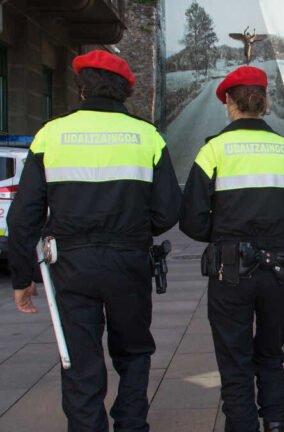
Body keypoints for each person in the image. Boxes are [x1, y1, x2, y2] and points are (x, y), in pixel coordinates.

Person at [8, 49, 182, 432]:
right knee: (134, 350)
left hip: (70, 264)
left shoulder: (50, 134)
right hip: (129, 261)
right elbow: (169, 210)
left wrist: (23, 278)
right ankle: (131, 424)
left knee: (79, 359)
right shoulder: (147, 136)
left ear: (82, 87)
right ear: (125, 90)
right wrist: (135, 230)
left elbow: (21, 217)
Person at [180, 66, 284, 432]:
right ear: (265, 102)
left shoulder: (213, 150)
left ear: (230, 103)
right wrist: (279, 231)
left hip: (230, 270)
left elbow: (192, 221)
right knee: (271, 353)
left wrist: (225, 234)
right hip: (282, 269)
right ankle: (277, 424)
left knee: (235, 359)